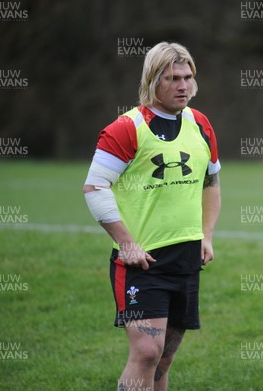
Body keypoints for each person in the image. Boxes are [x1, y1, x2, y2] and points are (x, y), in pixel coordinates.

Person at [82, 41, 221, 391]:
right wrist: (126, 243)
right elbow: (95, 187)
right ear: (152, 80)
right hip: (142, 261)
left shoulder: (200, 124)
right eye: (173, 78)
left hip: (187, 259)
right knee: (146, 351)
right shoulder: (125, 128)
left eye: (188, 77)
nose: (183, 86)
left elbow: (212, 182)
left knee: (163, 359)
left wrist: (206, 235)